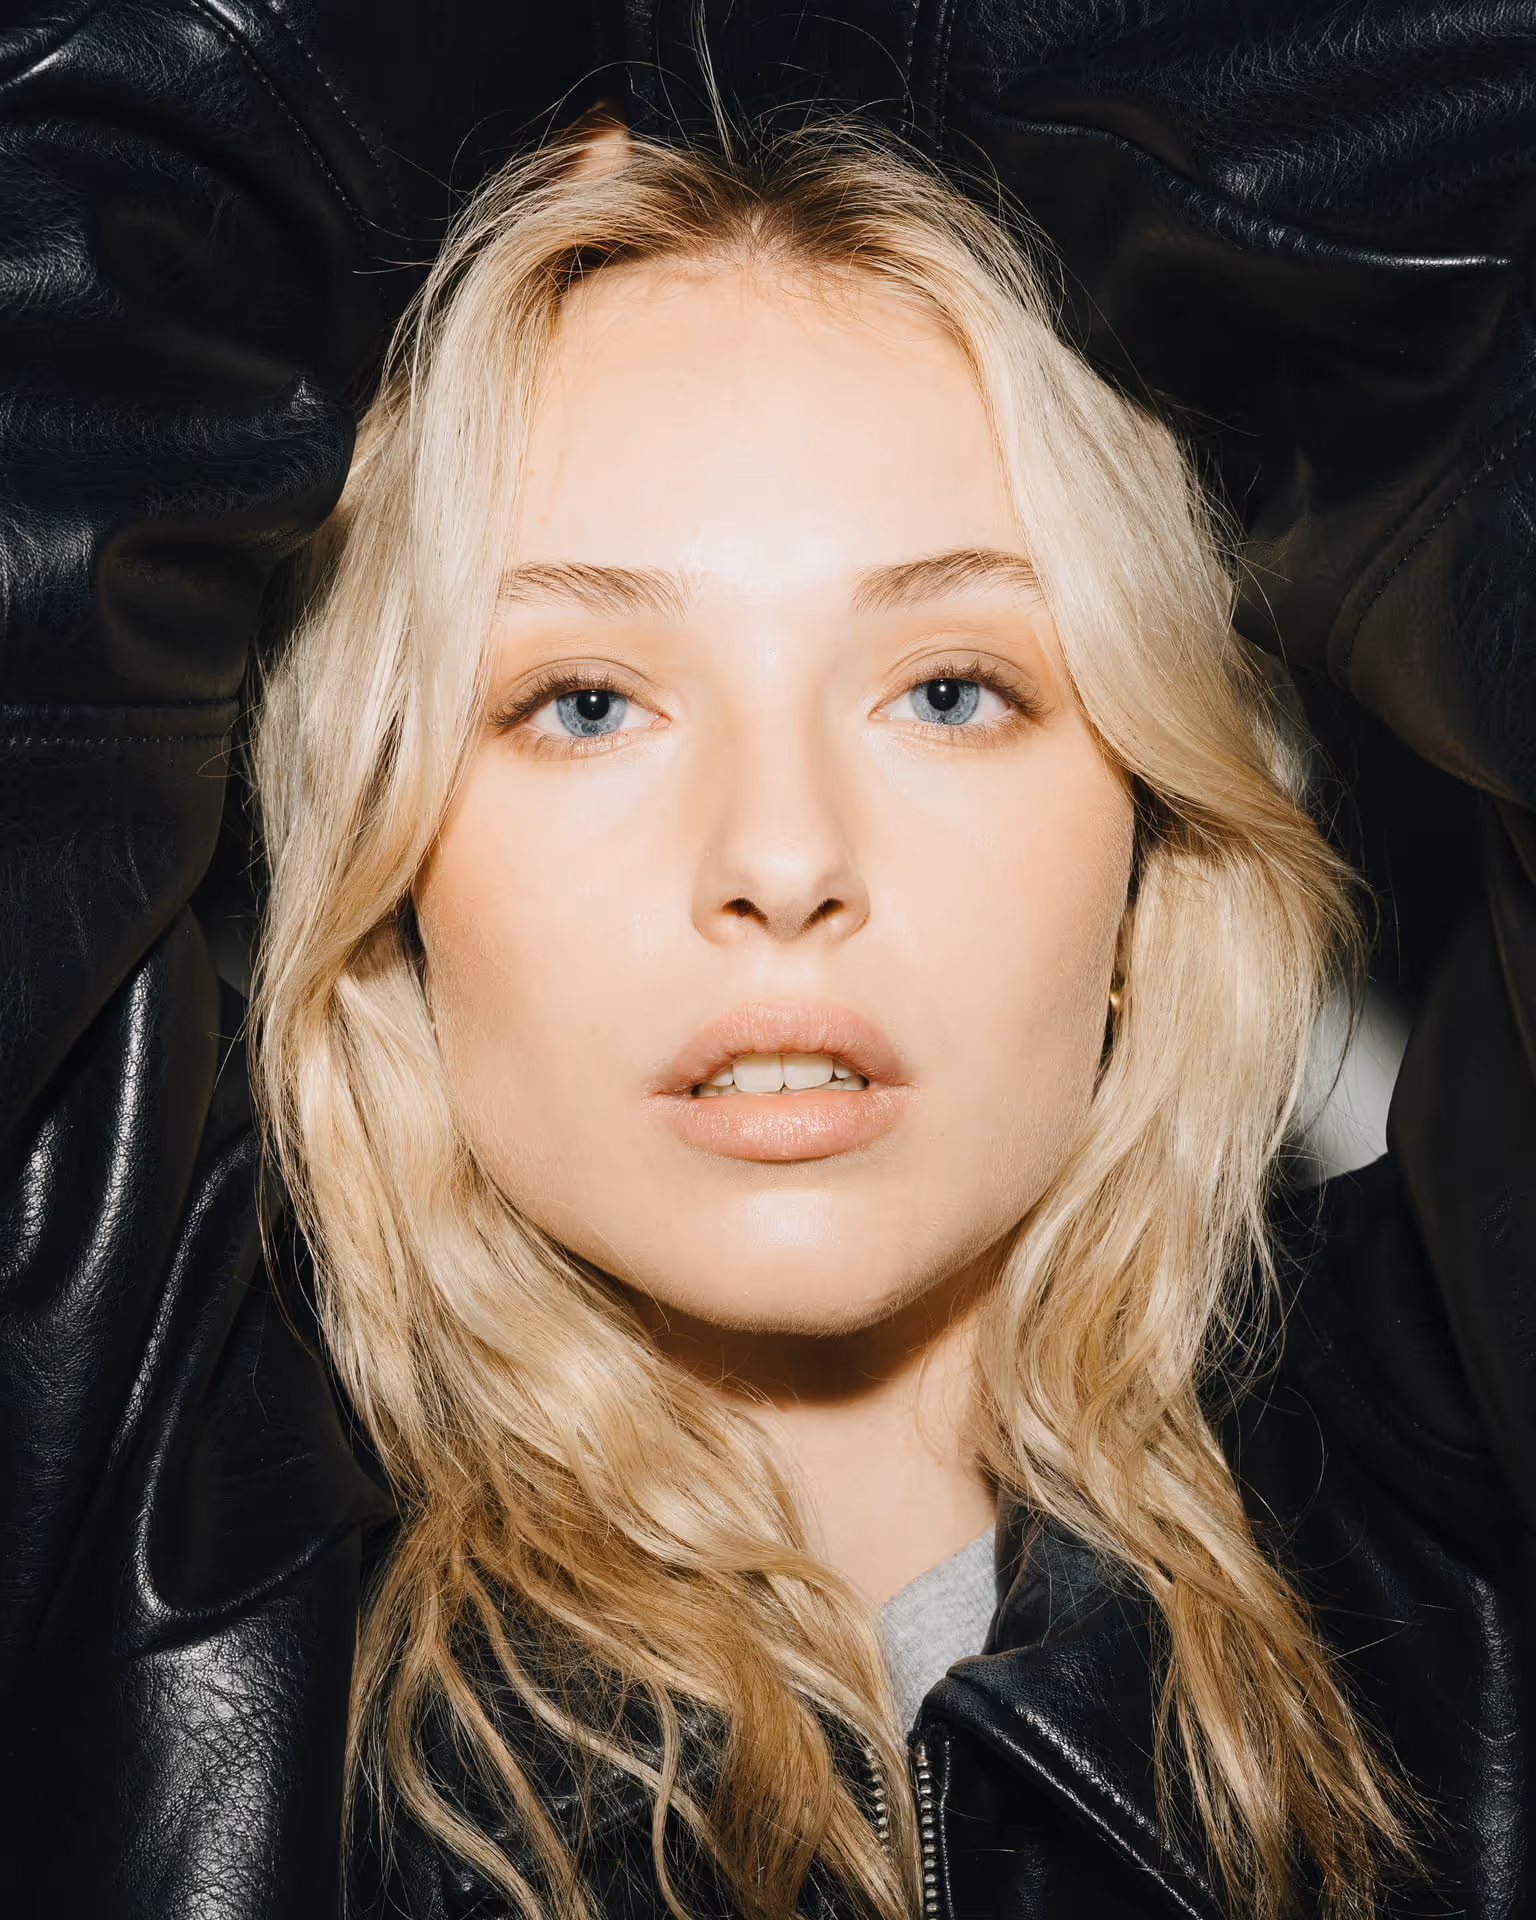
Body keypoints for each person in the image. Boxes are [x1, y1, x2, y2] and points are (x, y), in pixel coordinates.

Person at [0, 8, 1531, 1920]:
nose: (783, 859)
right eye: (582, 703)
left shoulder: (1466, 1516)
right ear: (394, 877)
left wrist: (843, 28)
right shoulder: (120, 1552)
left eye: (951, 688)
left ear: (1149, 827)